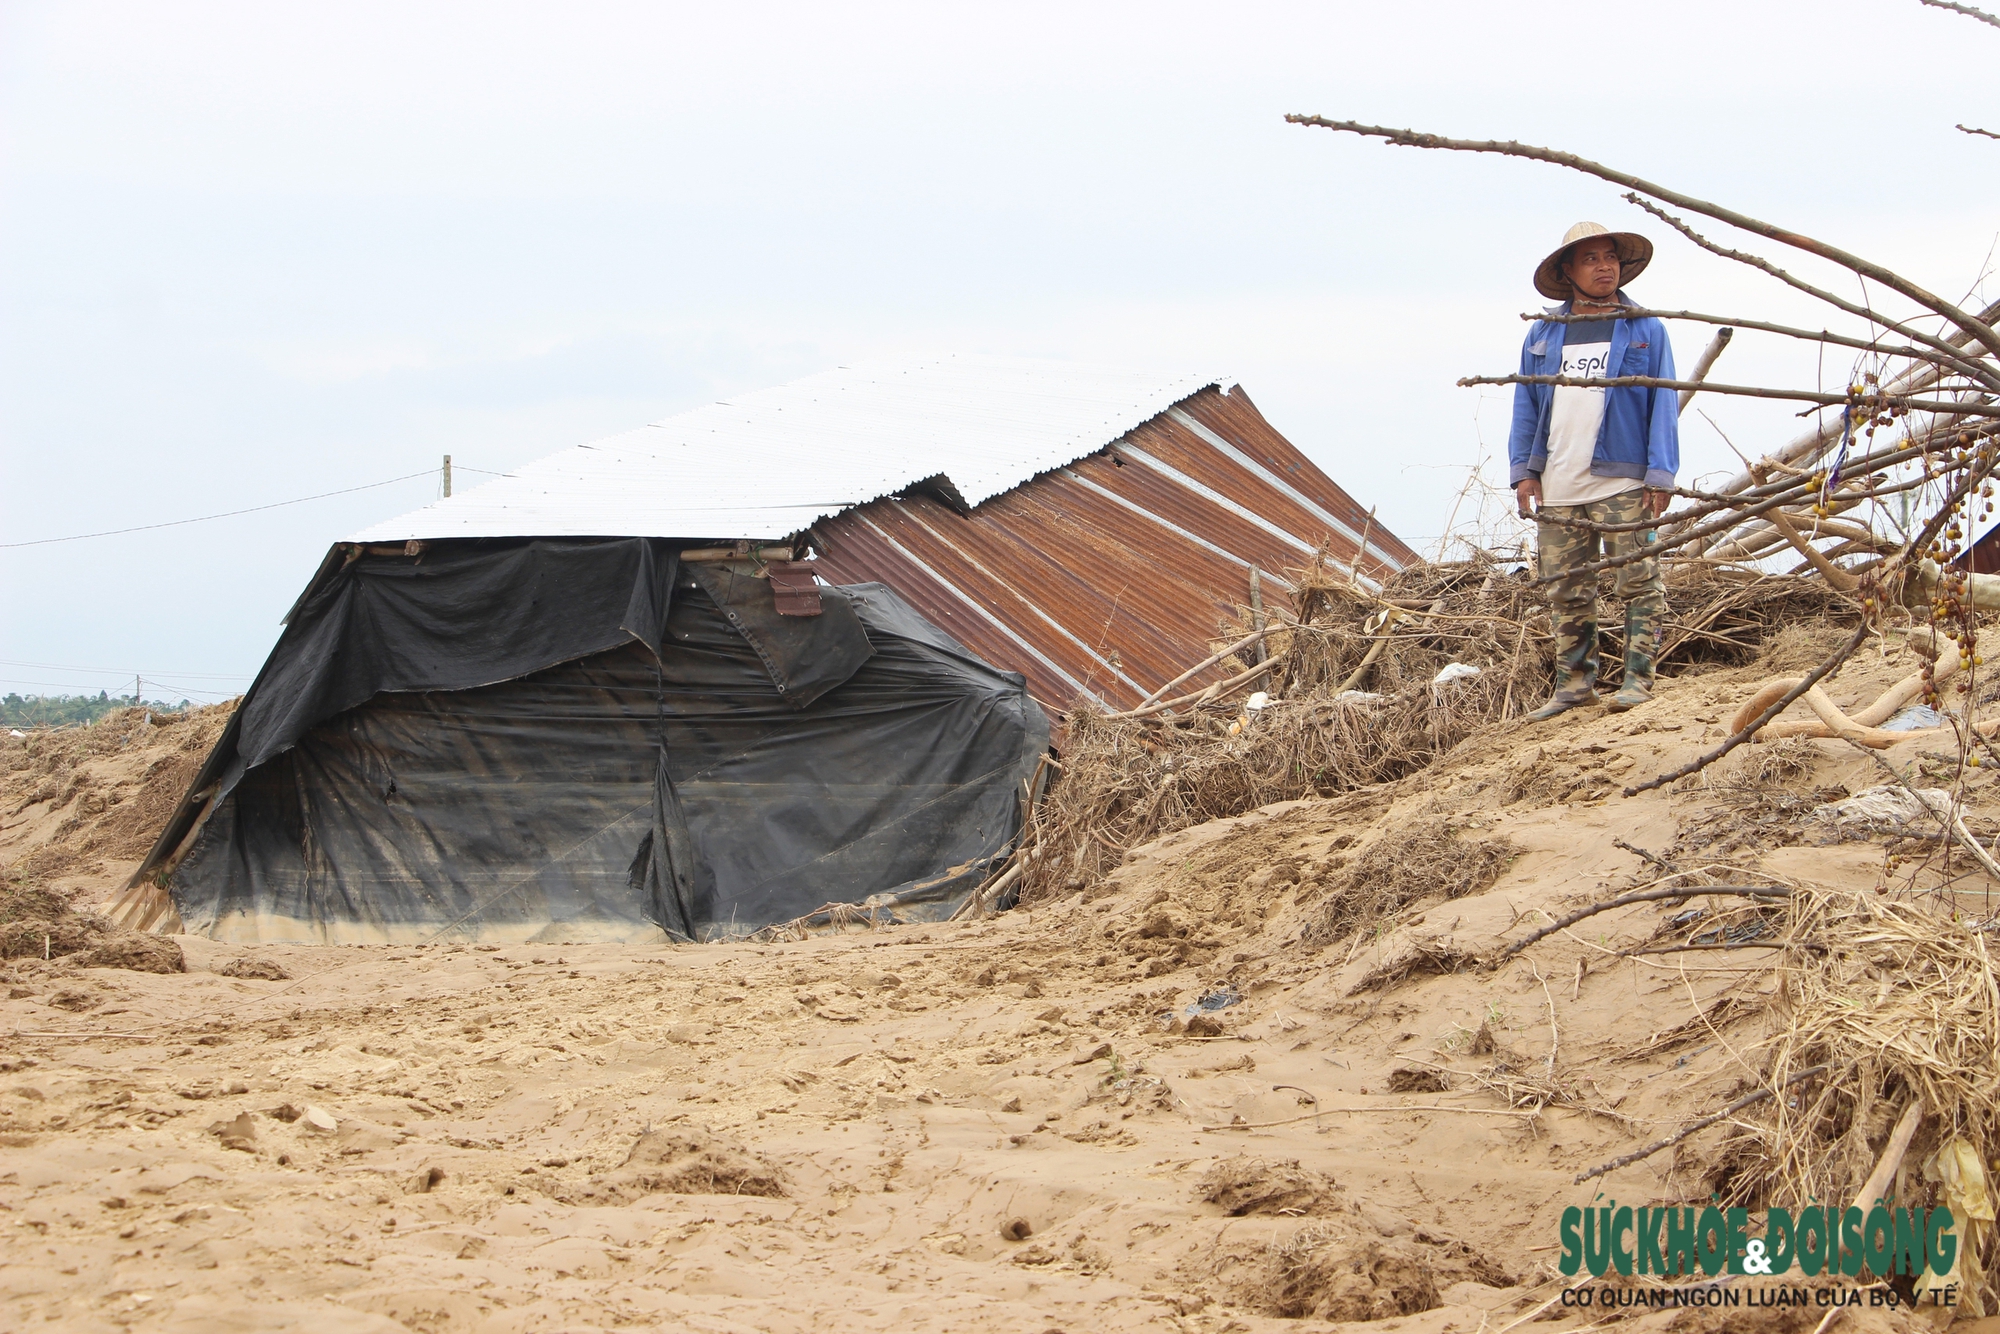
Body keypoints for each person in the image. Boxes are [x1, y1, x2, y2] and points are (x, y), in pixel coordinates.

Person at [1509, 221, 1679, 719]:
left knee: (1639, 580)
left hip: (1623, 477)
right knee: (1566, 587)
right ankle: (1574, 686)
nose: (1605, 267)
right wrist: (1524, 471)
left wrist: (1660, 472)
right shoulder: (1543, 333)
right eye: (1591, 259)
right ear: (1568, 271)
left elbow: (1663, 403)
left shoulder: (1645, 328)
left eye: (1611, 257)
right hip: (1558, 481)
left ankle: (1638, 681)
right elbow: (1525, 404)